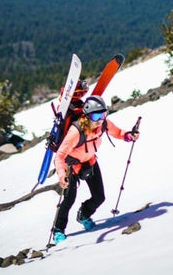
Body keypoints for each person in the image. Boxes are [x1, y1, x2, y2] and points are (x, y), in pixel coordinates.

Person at [53, 95, 139, 244]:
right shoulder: (76, 131)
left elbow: (117, 132)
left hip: (90, 161)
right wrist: (62, 175)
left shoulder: (103, 124)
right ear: (87, 115)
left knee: (99, 197)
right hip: (72, 165)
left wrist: (129, 136)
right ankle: (58, 230)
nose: (100, 118)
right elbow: (59, 156)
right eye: (96, 115)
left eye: (103, 114)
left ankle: (84, 215)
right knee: (68, 199)